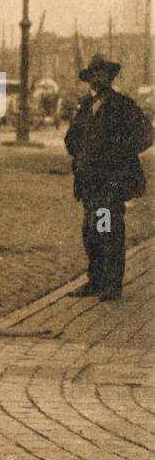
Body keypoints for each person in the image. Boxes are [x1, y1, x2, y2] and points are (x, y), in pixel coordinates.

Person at [64, 55, 153, 300]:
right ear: (90, 79)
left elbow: (146, 135)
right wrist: (78, 151)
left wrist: (118, 153)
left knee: (108, 230)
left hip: (111, 183)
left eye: (104, 75)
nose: (99, 79)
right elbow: (72, 137)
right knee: (90, 231)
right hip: (89, 182)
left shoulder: (123, 106)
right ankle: (95, 281)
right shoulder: (86, 106)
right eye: (95, 75)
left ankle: (111, 285)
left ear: (111, 78)